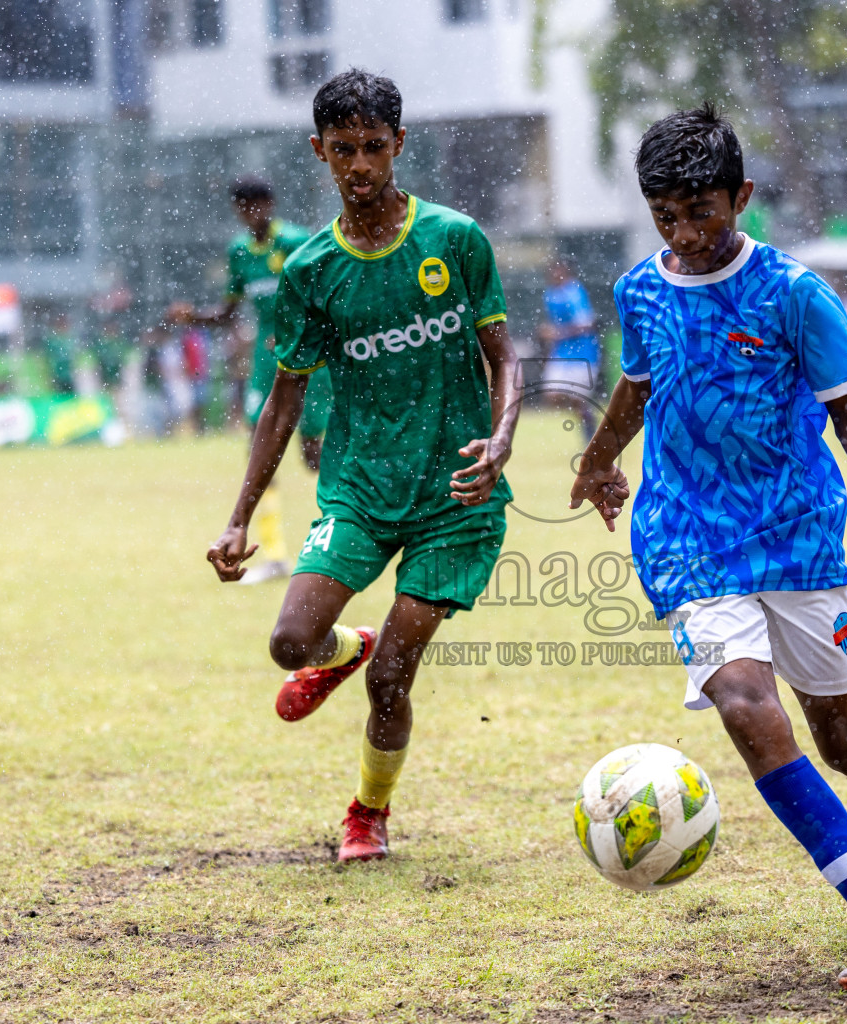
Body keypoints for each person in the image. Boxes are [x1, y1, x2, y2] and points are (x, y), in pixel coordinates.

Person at [568, 105, 847, 992]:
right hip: (684, 537)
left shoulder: (793, 293)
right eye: (666, 215)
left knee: (845, 750)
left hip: (794, 533)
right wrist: (597, 462)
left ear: (741, 196)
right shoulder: (639, 290)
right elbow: (637, 388)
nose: (687, 233)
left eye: (703, 210)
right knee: (746, 706)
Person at [206, 69, 521, 864]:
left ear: (399, 145)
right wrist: (240, 515)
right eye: (342, 149)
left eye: (374, 147)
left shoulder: (455, 240)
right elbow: (282, 401)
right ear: (319, 152)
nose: (360, 165)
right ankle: (346, 647)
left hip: (456, 494)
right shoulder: (310, 272)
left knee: (393, 680)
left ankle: (366, 813)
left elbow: (503, 357)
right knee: (288, 643)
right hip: (360, 487)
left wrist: (504, 435)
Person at [170, 176, 332, 584]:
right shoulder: (239, 251)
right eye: (243, 207)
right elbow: (229, 310)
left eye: (257, 204)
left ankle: (343, 536)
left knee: (314, 455)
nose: (251, 213)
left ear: (270, 204)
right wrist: (196, 317)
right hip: (266, 357)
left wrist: (301, 329)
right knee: (260, 448)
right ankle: (275, 555)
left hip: (308, 355)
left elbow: (325, 295)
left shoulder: (296, 241)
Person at [536, 256, 601, 438]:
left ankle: (591, 434)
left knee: (578, 398)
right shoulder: (549, 294)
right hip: (562, 353)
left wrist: (558, 333)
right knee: (552, 394)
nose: (556, 274)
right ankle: (586, 414)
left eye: (559, 270)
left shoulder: (575, 292)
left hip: (583, 353)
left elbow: (588, 324)